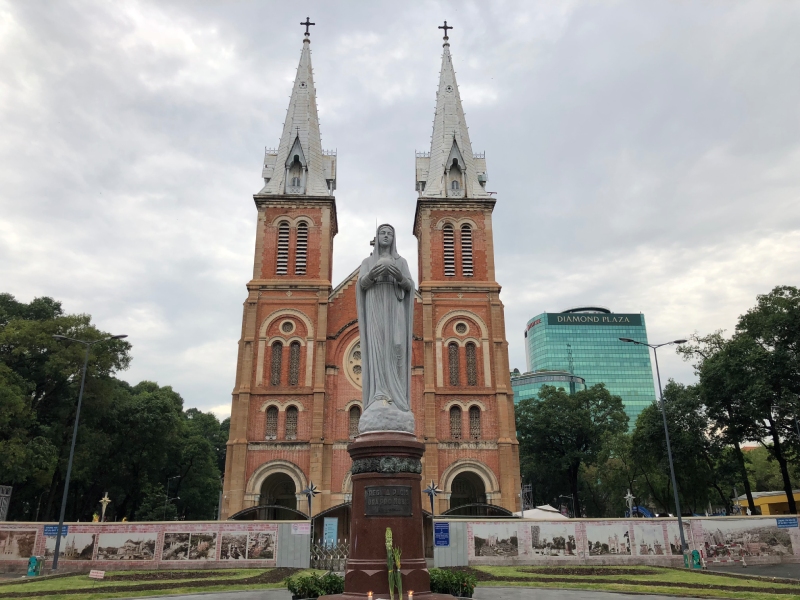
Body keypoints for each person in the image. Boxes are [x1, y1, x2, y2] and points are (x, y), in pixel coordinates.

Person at [356, 224, 415, 433]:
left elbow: (409, 286)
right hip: (375, 311)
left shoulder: (402, 262)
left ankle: (397, 398)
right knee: (378, 350)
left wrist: (398, 276)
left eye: (390, 233)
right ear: (377, 236)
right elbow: (361, 284)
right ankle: (379, 394)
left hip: (395, 310)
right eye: (383, 232)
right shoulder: (367, 262)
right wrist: (372, 274)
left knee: (396, 348)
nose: (386, 236)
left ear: (394, 238)